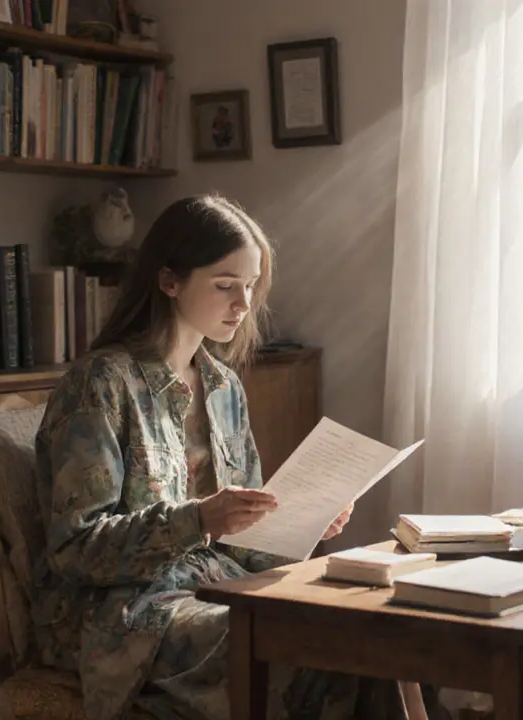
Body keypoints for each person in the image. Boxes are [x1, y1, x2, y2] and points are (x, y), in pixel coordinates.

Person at [31, 195, 410, 720]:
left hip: (221, 585)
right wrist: (200, 519)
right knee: (309, 644)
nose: (244, 303)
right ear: (170, 281)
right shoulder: (100, 384)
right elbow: (75, 549)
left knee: (374, 630)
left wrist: (301, 525)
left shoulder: (224, 387)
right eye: (226, 285)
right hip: (126, 614)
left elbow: (243, 545)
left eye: (250, 285)